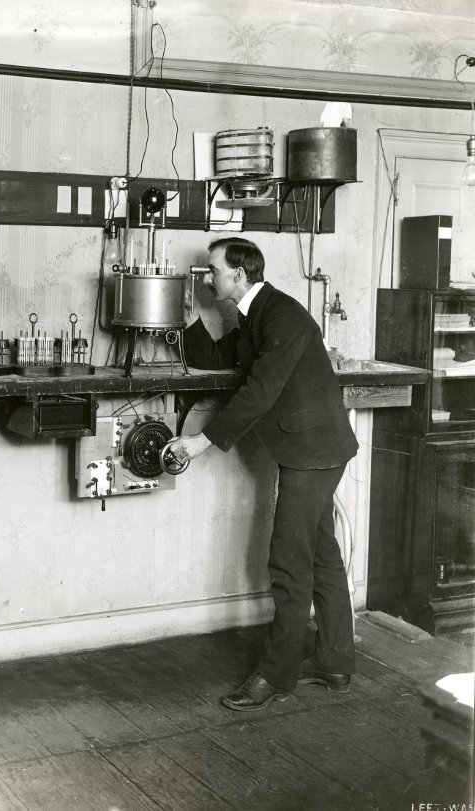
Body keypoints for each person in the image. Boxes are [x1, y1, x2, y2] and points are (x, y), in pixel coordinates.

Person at [167, 237, 358, 711]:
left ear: (240, 274)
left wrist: (199, 442)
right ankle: (335, 662)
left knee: (289, 564)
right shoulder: (254, 316)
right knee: (322, 557)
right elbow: (215, 358)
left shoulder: (282, 315)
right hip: (309, 448)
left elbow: (259, 391)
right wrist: (188, 314)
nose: (208, 278)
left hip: (314, 452)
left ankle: (276, 676)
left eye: (212, 271)